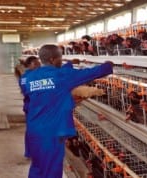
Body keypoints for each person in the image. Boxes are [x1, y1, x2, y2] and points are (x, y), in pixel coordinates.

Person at [19, 44, 113, 178]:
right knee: (52, 170)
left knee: (38, 167)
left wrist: (69, 65)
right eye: (60, 58)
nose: (60, 61)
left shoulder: (30, 77)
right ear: (52, 60)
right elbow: (90, 73)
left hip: (34, 129)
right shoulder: (62, 76)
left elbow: (48, 88)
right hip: (51, 132)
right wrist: (108, 65)